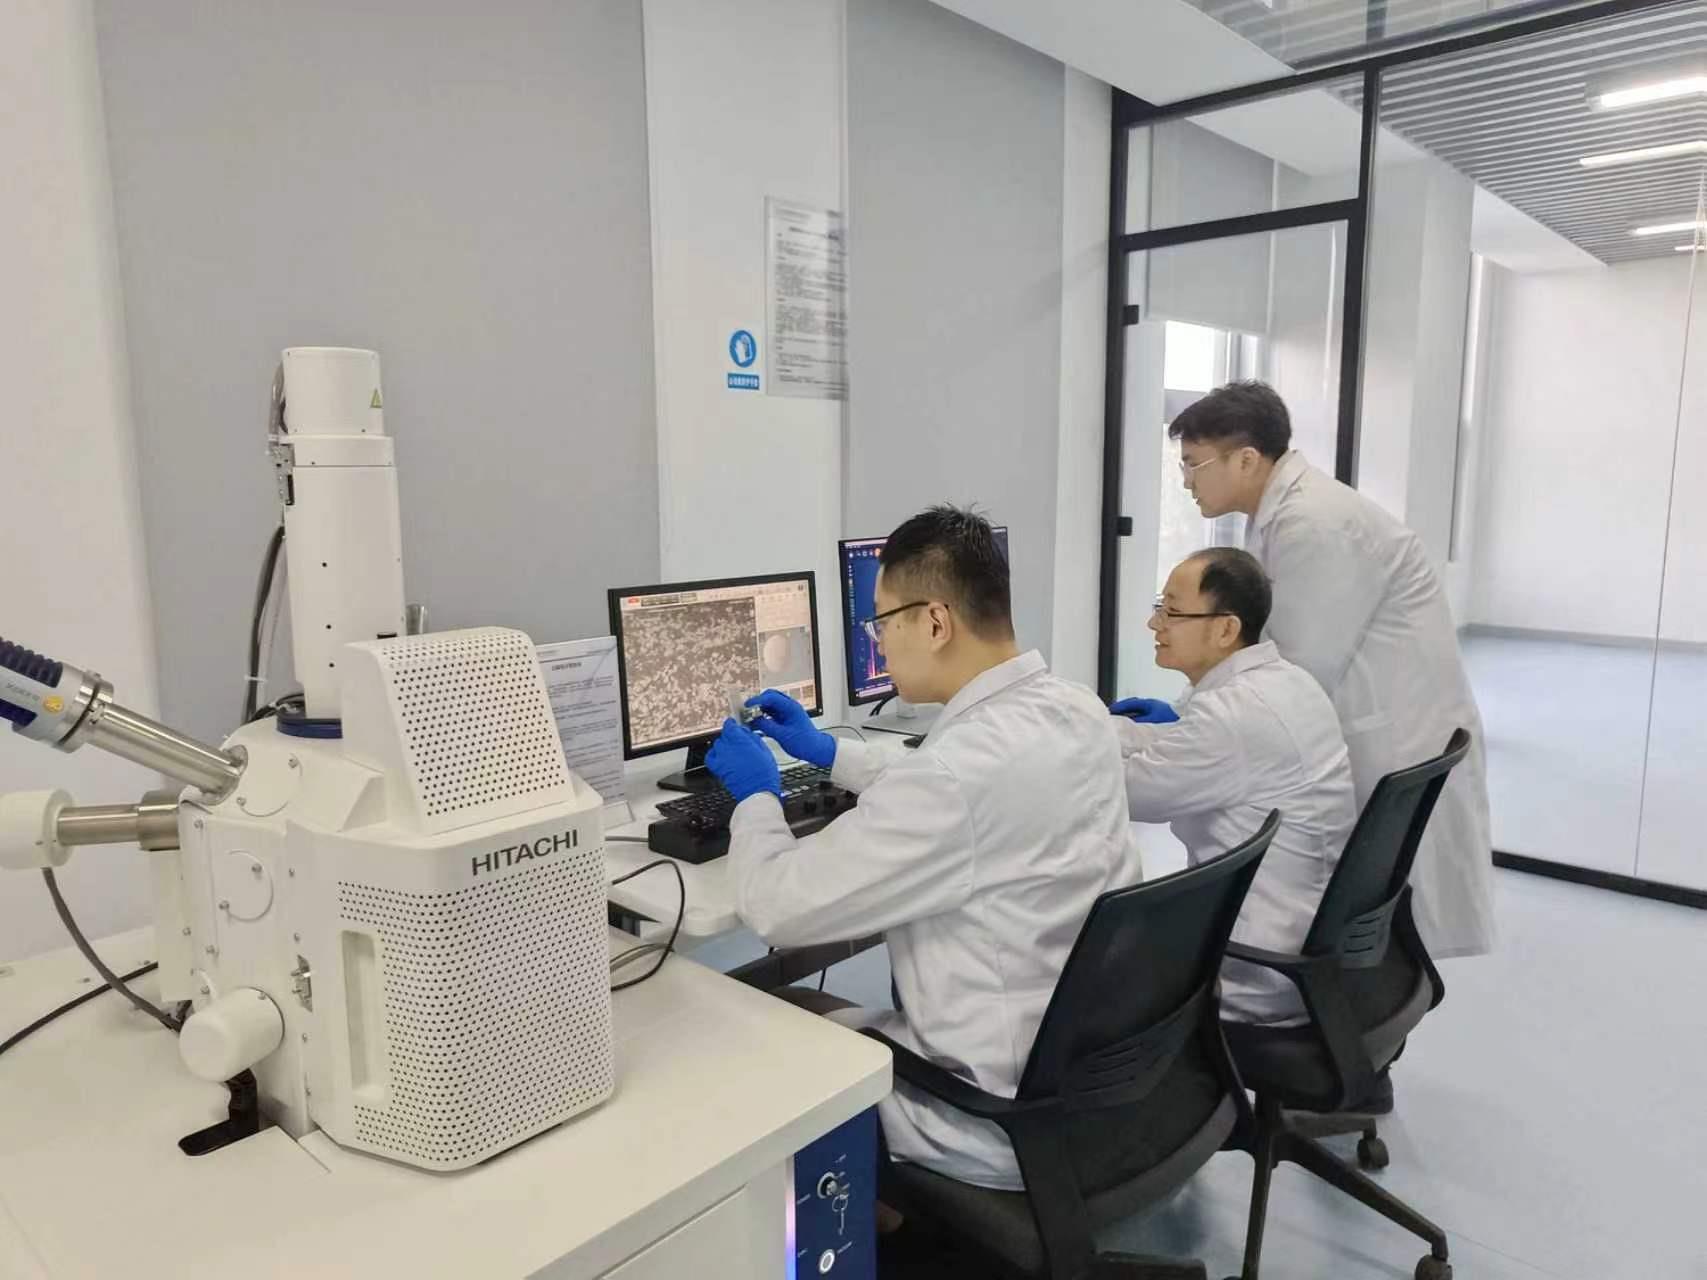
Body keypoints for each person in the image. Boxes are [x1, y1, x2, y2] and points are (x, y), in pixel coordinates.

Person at [703, 505, 1141, 1191]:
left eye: (880, 623)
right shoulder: (1075, 709)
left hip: (990, 1115)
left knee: (761, 1011)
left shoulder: (952, 777)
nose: (878, 644)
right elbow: (964, 791)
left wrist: (756, 798)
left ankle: (868, 1216)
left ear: (934, 623)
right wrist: (829, 753)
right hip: (1101, 1083)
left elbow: (775, 908)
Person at [1166, 381, 1494, 959]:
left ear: (1246, 459)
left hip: (1389, 738)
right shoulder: (1286, 515)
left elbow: (1292, 668)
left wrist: (1183, 720)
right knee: (1364, 926)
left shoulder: (1315, 523)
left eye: (1194, 463)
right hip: (1374, 727)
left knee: (1371, 925)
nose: (1186, 480)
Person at [1113, 547, 1357, 1024]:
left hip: (1252, 968)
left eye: (1171, 611)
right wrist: (1098, 726)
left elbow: (1128, 792)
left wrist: (1053, 744)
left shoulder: (1232, 717)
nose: (1154, 623)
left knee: (1069, 964)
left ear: (1226, 629)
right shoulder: (1288, 682)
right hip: (1307, 940)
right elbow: (1183, 743)